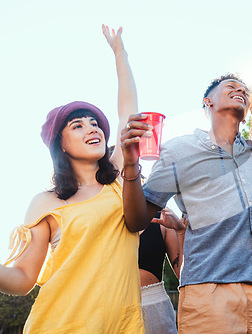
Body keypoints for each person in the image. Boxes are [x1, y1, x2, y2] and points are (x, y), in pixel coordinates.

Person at [120, 74, 252, 333]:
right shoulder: (178, 151)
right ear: (208, 102)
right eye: (231, 87)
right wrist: (131, 164)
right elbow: (136, 220)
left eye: (245, 90)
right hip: (208, 291)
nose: (240, 90)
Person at [0, 25, 145, 333]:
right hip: (60, 325)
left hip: (123, 325)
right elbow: (24, 278)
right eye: (77, 126)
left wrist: (120, 52)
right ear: (60, 144)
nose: (92, 128)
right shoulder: (47, 202)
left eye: (94, 123)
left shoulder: (119, 180)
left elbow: (128, 112)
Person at [139, 207, 186, 334]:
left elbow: (183, 274)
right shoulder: (106, 218)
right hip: (115, 305)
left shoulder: (162, 220)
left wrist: (180, 230)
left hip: (154, 308)